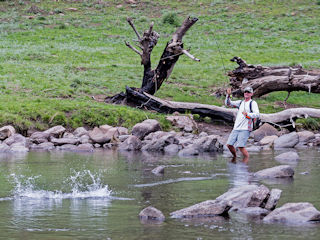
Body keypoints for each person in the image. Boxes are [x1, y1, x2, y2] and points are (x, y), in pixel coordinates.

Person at [225, 86, 259, 163]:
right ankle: (235, 158)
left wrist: (247, 114)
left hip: (246, 128)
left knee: (240, 146)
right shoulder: (240, 102)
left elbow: (257, 114)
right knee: (229, 145)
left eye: (248, 92)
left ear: (251, 94)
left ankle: (246, 163)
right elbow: (228, 104)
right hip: (236, 128)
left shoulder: (253, 103)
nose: (246, 93)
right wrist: (228, 95)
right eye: (245, 92)